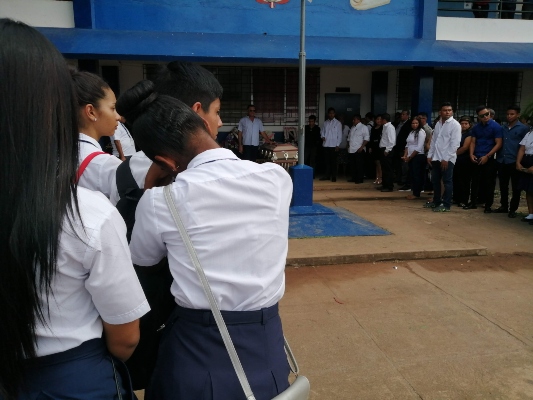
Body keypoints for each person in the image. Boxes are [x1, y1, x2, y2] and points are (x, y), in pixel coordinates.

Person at [0, 18, 149, 399]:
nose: (118, 117)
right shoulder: (87, 211)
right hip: (69, 379)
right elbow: (125, 337)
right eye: (111, 108)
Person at [126, 91, 292, 399]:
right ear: (203, 122)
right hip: (267, 346)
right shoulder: (276, 179)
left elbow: (144, 261)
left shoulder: (161, 201)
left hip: (196, 351)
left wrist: (151, 188)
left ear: (164, 161)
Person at [70, 67, 123, 203]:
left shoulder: (51, 156)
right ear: (91, 112)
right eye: (112, 108)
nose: (117, 116)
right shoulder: (107, 166)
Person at [464, 105, 503, 213]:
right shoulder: (476, 127)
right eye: (483, 115)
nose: (486, 117)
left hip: (489, 158)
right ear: (479, 117)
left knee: (489, 182)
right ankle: (473, 202)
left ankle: (488, 205)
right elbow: (473, 141)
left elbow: (498, 143)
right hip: (477, 156)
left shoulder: (496, 127)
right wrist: (471, 154)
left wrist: (488, 156)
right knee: (475, 181)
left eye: (487, 114)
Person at [425, 102, 462, 212]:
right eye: (445, 110)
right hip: (436, 157)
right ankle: (436, 201)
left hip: (447, 159)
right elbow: (434, 141)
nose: (447, 112)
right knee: (435, 181)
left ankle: (446, 204)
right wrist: (430, 155)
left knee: (447, 181)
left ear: (452, 112)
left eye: (449, 110)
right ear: (440, 112)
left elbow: (455, 144)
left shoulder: (455, 125)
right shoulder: (438, 124)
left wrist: (446, 158)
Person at [494, 106, 529, 217]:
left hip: (514, 160)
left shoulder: (523, 128)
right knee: (503, 185)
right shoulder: (502, 127)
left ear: (518, 115)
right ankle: (503, 206)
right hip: (502, 159)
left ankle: (513, 209)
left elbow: (525, 146)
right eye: (508, 114)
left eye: (512, 114)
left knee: (516, 187)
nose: (509, 116)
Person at [403, 117, 426, 200]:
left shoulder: (421, 132)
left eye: (416, 123)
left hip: (418, 156)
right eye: (413, 123)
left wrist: (410, 156)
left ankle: (417, 193)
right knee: (412, 175)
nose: (414, 125)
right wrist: (405, 155)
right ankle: (414, 192)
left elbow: (419, 147)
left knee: (417, 175)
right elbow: (407, 145)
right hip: (410, 156)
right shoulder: (412, 132)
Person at [453, 116, 474, 208]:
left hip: (464, 160)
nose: (464, 125)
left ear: (469, 125)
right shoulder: (456, 132)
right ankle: (456, 198)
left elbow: (465, 148)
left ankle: (464, 200)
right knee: (456, 179)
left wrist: (452, 154)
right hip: (455, 160)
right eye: (462, 123)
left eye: (466, 124)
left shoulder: (469, 134)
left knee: (464, 181)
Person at [319, 107, 343, 182]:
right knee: (327, 162)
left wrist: (337, 145)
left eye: (332, 113)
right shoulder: (325, 123)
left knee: (333, 162)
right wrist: (322, 136)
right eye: (330, 113)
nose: (331, 114)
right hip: (326, 145)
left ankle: (334, 176)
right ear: (328, 114)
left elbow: (340, 135)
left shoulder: (338, 123)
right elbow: (322, 132)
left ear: (334, 114)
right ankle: (327, 176)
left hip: (334, 146)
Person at [516, 129, 533, 225]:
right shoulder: (529, 133)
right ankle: (531, 213)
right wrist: (518, 162)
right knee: (529, 189)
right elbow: (522, 148)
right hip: (527, 159)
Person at [347, 114, 369, 184]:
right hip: (352, 148)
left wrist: (362, 147)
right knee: (353, 165)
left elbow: (366, 138)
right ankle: (354, 177)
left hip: (359, 149)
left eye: (354, 119)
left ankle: (360, 179)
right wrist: (348, 145)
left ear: (358, 120)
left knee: (359, 165)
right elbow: (349, 137)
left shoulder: (363, 127)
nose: (353, 121)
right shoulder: (352, 127)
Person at [378, 113, 396, 192]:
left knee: (388, 169)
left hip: (387, 150)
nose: (379, 121)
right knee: (384, 168)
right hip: (383, 149)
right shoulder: (385, 127)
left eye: (380, 119)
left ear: (384, 120)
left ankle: (389, 186)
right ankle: (384, 185)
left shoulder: (390, 127)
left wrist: (387, 150)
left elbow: (392, 141)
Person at [369, 114, 383, 184]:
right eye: (377, 119)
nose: (379, 121)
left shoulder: (383, 128)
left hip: (380, 147)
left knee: (379, 162)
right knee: (376, 162)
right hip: (374, 146)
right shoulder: (373, 128)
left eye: (380, 119)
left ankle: (380, 177)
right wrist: (370, 147)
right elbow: (371, 138)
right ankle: (377, 177)